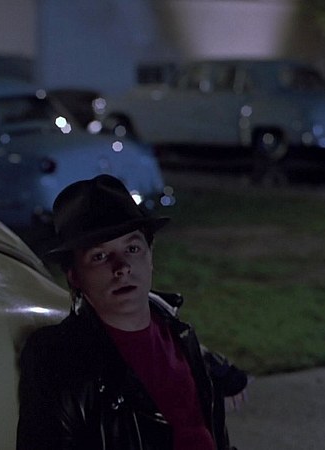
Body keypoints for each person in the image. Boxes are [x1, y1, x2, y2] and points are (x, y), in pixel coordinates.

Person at [17, 174, 248, 450]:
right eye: (100, 256)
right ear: (74, 276)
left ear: (150, 256)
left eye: (132, 248)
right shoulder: (58, 359)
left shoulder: (181, 336)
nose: (122, 267)